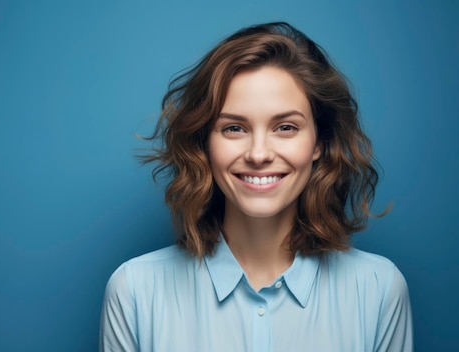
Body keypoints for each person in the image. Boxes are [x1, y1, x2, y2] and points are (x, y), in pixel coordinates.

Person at [99, 22, 412, 352]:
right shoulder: (134, 291)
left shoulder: (379, 290)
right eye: (234, 128)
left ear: (319, 142)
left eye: (286, 127)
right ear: (205, 143)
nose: (259, 154)